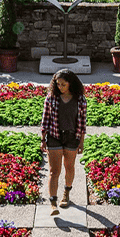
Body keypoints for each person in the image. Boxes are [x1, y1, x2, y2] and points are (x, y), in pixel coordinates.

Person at [40, 69, 86, 215]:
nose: (60, 87)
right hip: (54, 135)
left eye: (63, 84)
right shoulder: (51, 98)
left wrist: (81, 142)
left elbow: (82, 123)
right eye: (58, 84)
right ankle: (53, 203)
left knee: (69, 167)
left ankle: (66, 193)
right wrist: (43, 139)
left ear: (70, 83)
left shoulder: (80, 100)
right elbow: (45, 120)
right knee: (54, 171)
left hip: (72, 137)